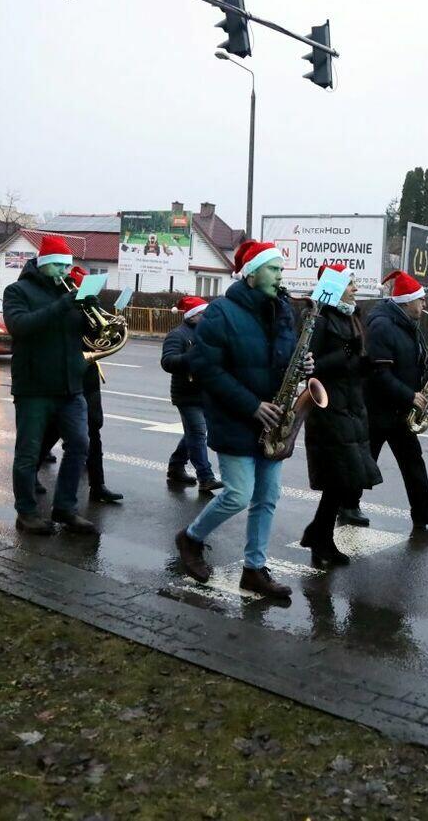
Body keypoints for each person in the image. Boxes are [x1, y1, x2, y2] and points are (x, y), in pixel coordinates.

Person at [173, 240, 312, 600]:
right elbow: (205, 368)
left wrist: (301, 365)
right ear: (251, 274)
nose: (280, 276)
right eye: (273, 269)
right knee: (238, 495)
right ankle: (191, 538)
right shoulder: (221, 313)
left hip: (273, 420)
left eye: (281, 269)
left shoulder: (282, 310)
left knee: (267, 497)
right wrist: (252, 405)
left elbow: (282, 359)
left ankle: (254, 570)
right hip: (236, 417)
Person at [2, 234, 99, 537]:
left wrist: (92, 318)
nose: (63, 271)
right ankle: (27, 513)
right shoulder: (18, 291)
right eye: (57, 265)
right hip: (34, 387)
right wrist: (62, 305)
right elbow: (19, 326)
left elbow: (85, 337)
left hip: (70, 386)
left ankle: (65, 508)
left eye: (66, 266)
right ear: (42, 263)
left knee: (80, 445)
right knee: (29, 452)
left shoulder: (70, 293)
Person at [356, 270, 428, 531]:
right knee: (365, 461)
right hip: (378, 410)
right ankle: (347, 505)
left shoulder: (410, 325)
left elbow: (410, 362)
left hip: (401, 409)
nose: (425, 304)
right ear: (407, 301)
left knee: (413, 459)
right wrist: (410, 395)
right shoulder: (382, 326)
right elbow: (379, 373)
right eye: (421, 299)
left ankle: (423, 511)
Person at [298, 264, 383, 567]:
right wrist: (345, 354)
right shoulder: (319, 318)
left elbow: (351, 361)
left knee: (343, 480)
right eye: (349, 283)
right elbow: (309, 367)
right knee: (339, 478)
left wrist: (365, 364)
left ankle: (318, 535)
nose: (355, 288)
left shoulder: (350, 316)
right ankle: (320, 539)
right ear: (334, 287)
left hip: (351, 405)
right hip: (329, 408)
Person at [35, 359, 122, 504]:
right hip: (65, 370)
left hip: (88, 372)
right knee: (54, 428)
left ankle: (97, 485)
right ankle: (32, 472)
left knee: (93, 427)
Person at [162, 295, 223, 493]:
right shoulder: (177, 335)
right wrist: (191, 356)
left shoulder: (208, 333)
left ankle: (176, 466)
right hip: (186, 394)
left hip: (207, 392)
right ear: (192, 315)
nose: (207, 317)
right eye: (203, 313)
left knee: (194, 433)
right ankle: (206, 477)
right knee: (197, 432)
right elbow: (167, 362)